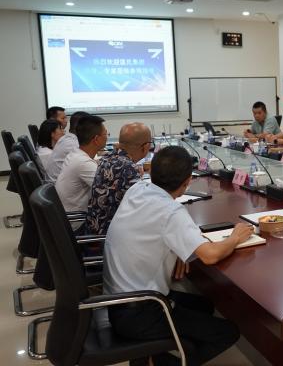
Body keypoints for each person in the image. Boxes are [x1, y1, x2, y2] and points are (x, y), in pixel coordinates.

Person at [104, 146, 253, 366]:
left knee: (203, 306)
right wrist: (235, 237)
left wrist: (177, 248)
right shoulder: (171, 211)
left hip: (118, 301)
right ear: (188, 181)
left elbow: (149, 229)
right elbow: (210, 256)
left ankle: (154, 354)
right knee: (227, 332)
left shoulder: (138, 188)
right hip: (141, 311)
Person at [85, 122, 152, 236]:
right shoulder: (128, 168)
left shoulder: (106, 158)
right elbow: (144, 208)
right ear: (145, 147)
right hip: (109, 235)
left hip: (96, 227)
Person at [55, 115, 107, 213]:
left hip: (65, 212)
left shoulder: (75, 153)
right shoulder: (83, 163)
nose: (107, 137)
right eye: (106, 134)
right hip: (76, 218)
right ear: (96, 139)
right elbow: (108, 192)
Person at [46, 111, 90, 181]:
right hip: (56, 186)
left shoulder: (66, 138)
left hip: (56, 183)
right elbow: (87, 165)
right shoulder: (72, 144)